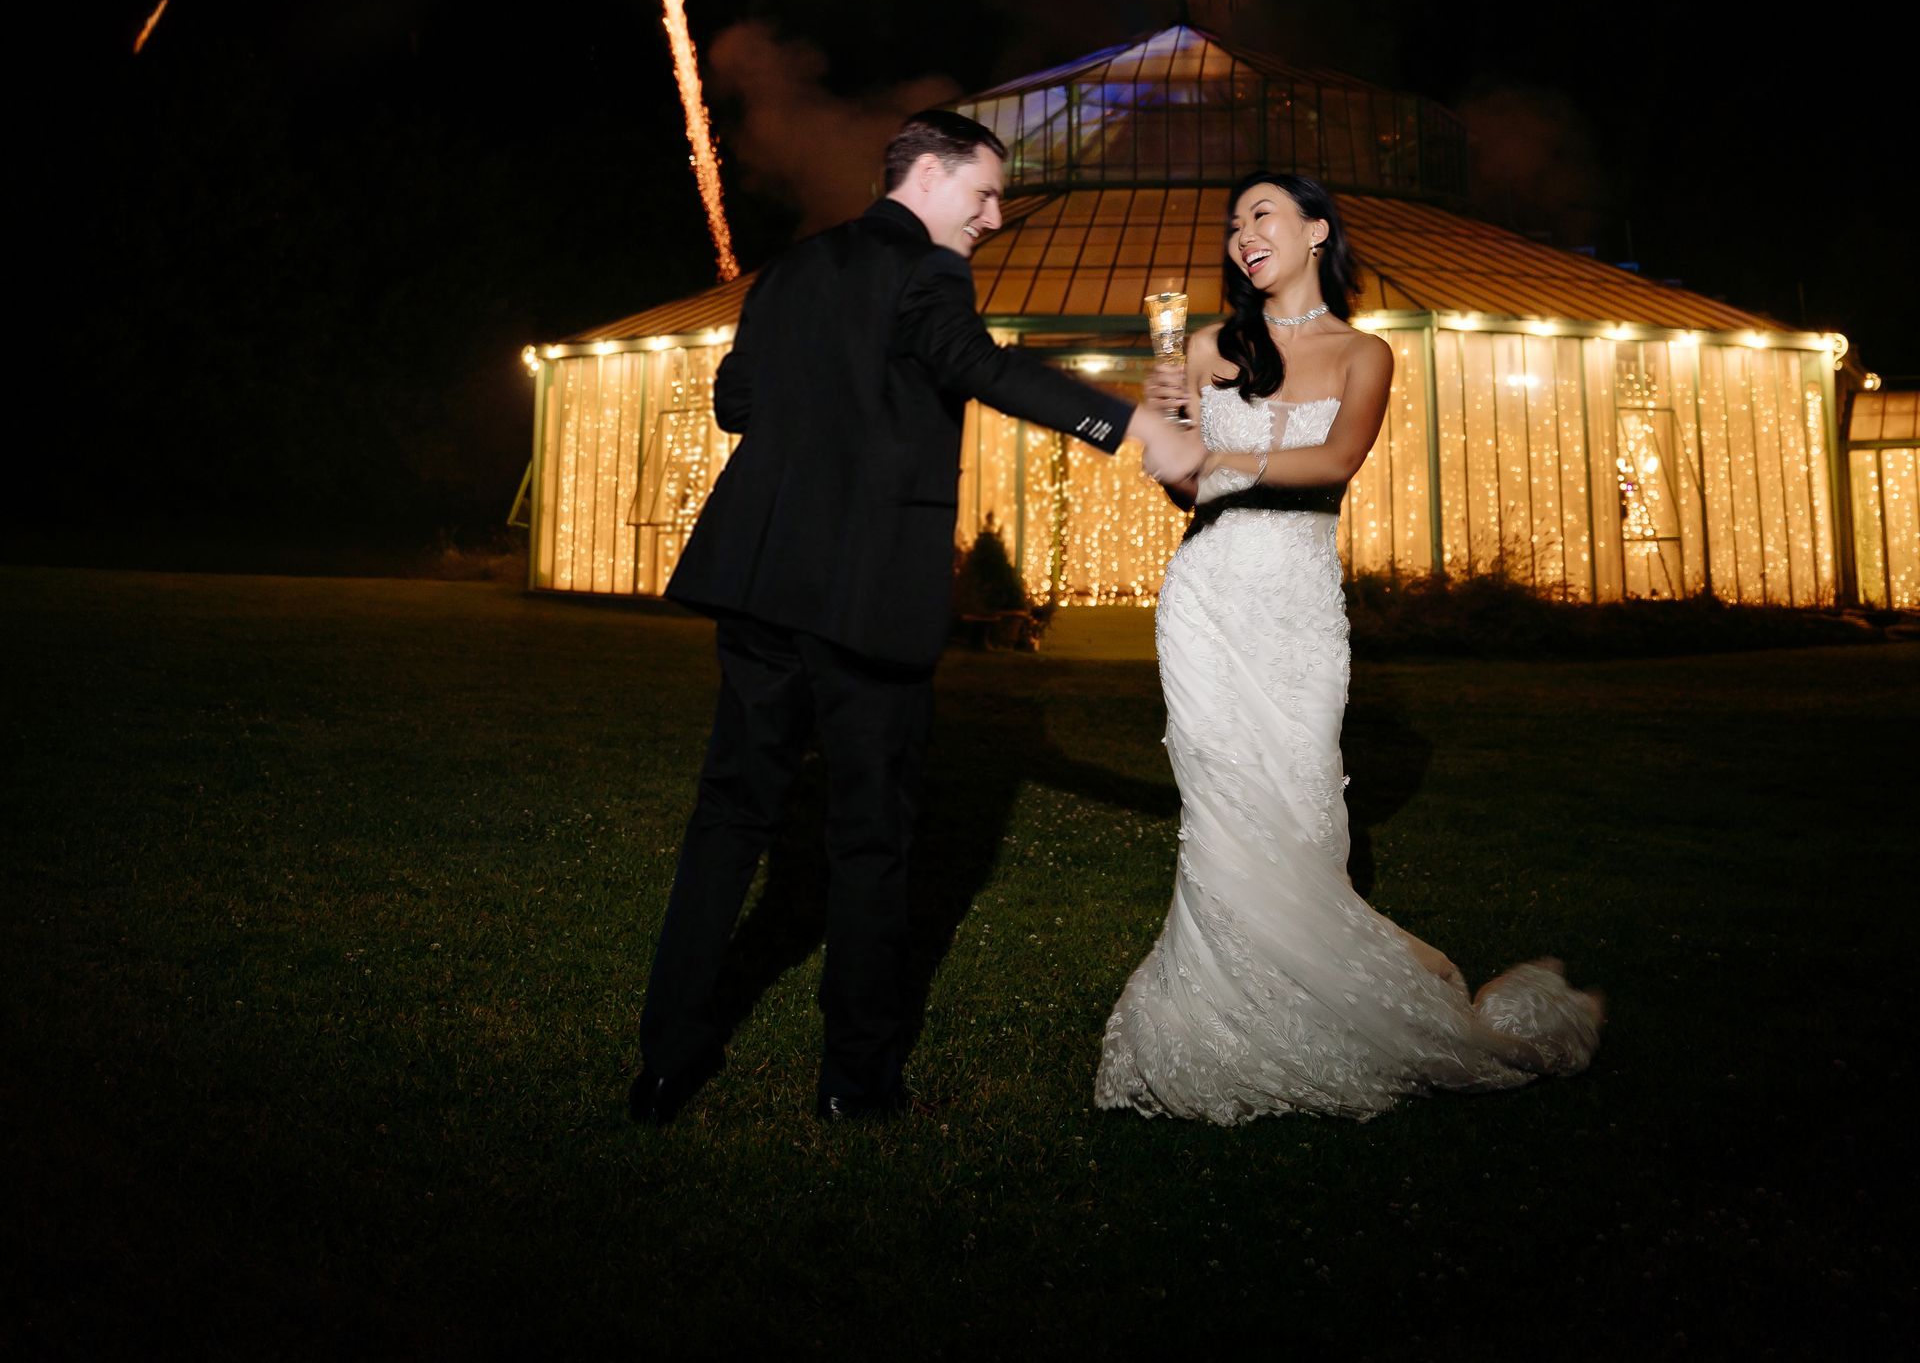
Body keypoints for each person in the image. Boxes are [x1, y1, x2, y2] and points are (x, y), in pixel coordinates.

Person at [632, 106, 1184, 1127]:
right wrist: (1130, 418)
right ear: (925, 176)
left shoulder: (792, 268)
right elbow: (973, 363)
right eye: (983, 190)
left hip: (759, 579)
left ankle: (663, 1061)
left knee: (727, 818)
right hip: (865, 591)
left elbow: (737, 401)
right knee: (871, 834)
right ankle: (856, 1077)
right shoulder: (930, 269)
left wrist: (840, 399)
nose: (995, 211)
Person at [1099, 168, 1604, 1123]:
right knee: (1220, 810)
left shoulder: (1365, 353)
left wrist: (1221, 456)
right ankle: (1208, 1013)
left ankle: (1314, 1004)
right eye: (1234, 223)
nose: (1244, 233)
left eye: (1264, 213)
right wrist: (1168, 411)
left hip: (1295, 606)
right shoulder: (1210, 346)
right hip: (1205, 598)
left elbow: (1334, 460)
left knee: (1296, 805)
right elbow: (1178, 485)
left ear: (1317, 230)